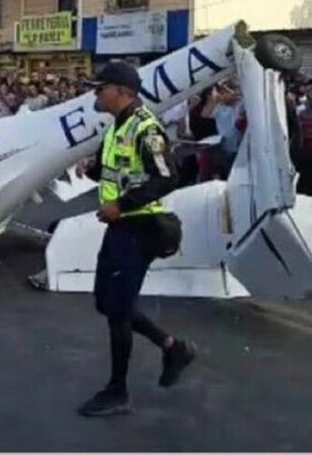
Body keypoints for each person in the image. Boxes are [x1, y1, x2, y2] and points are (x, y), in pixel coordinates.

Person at [75, 62, 195, 417]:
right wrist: (92, 168)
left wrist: (121, 206)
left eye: (101, 88)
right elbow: (118, 170)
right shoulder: (118, 127)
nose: (96, 93)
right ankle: (172, 346)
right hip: (121, 226)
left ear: (122, 91)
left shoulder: (147, 127)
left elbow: (166, 176)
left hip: (140, 226)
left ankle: (117, 390)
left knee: (117, 309)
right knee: (106, 302)